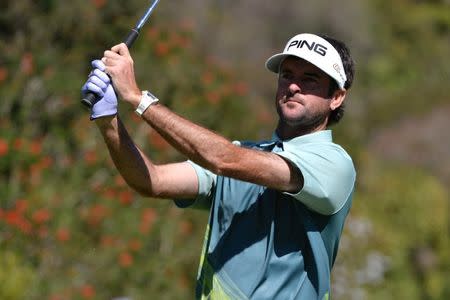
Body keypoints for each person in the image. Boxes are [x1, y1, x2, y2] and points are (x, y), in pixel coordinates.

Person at [81, 33, 356, 300]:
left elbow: (224, 159)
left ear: (336, 97)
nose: (294, 86)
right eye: (288, 75)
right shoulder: (244, 154)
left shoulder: (334, 165)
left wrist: (139, 99)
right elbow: (152, 180)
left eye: (310, 80)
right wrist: (109, 121)